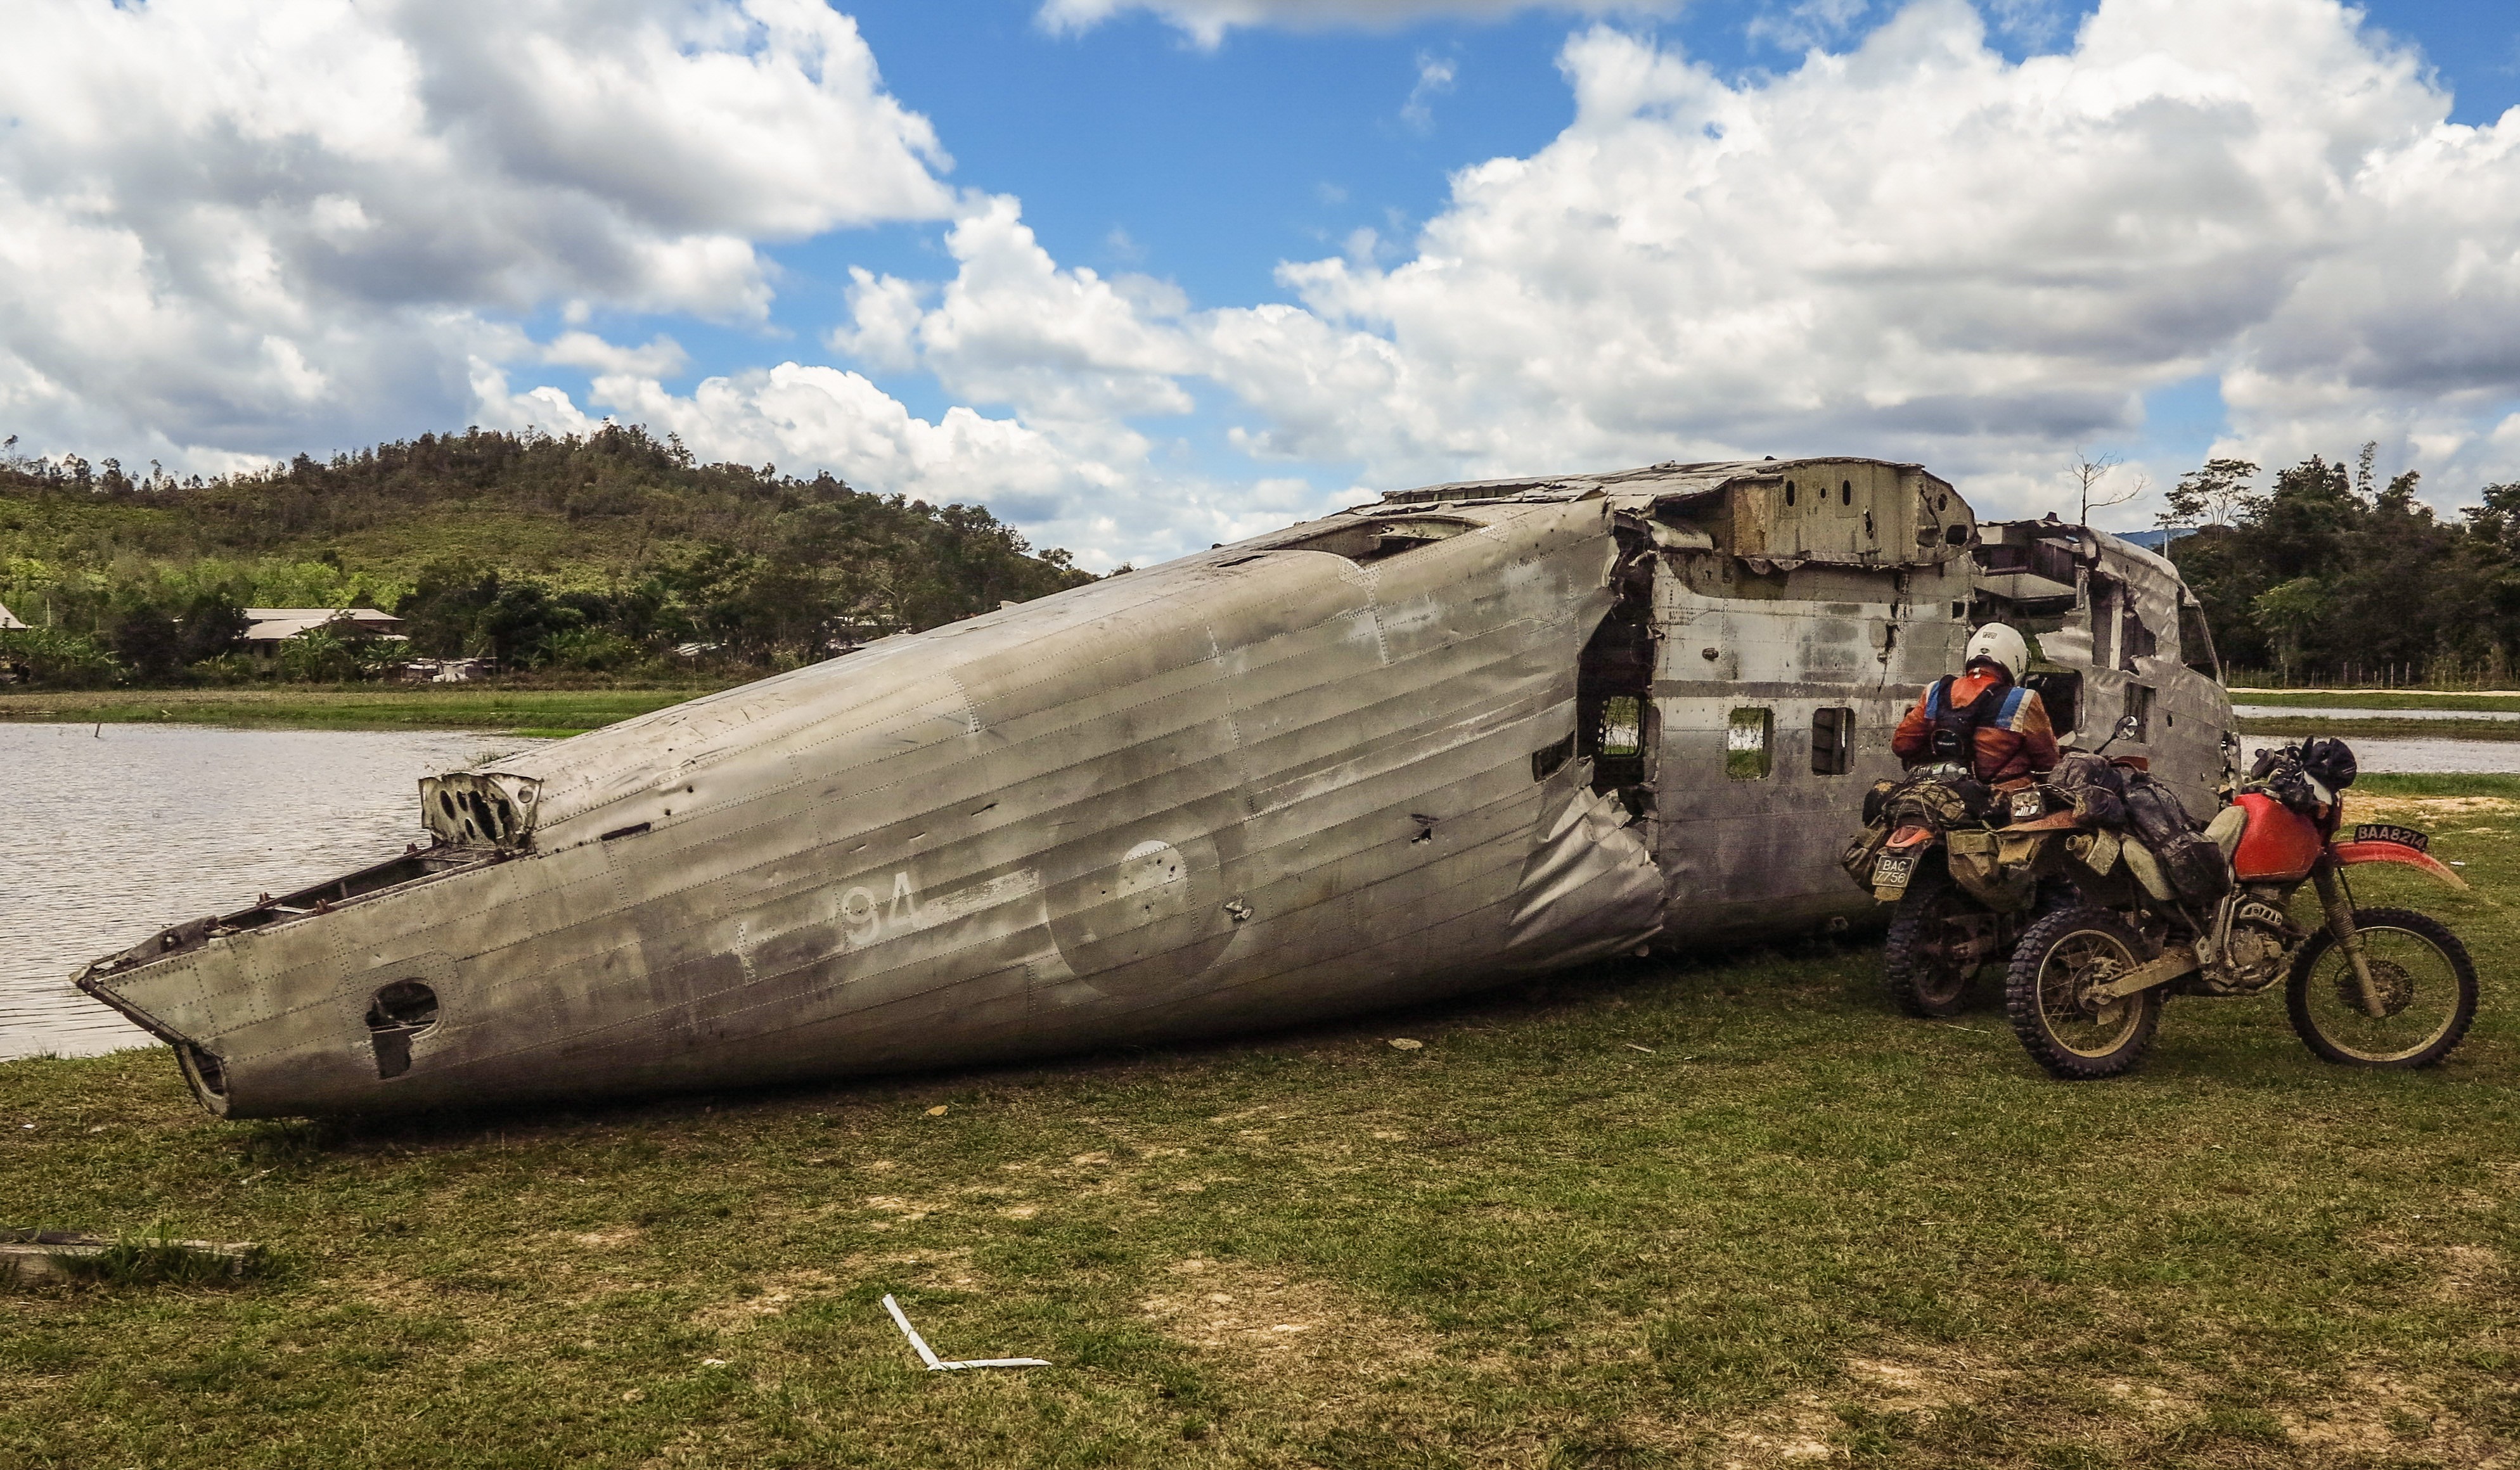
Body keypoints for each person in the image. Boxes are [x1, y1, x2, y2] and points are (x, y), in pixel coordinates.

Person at [1891, 623, 2060, 783]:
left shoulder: (1935, 690)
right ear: (2017, 660)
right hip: (1999, 800)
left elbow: (1902, 745)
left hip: (1941, 790)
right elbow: (2048, 761)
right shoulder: (2024, 700)